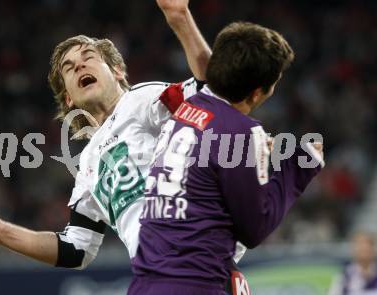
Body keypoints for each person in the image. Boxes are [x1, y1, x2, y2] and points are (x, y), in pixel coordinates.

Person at [0, 0, 248, 273]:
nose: (80, 66)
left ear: (118, 71)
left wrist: (180, 19)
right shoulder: (87, 165)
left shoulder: (143, 99)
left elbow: (212, 91)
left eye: (88, 58)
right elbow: (75, 249)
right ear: (68, 98)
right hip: (162, 276)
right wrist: (0, 231)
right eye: (69, 68)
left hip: (199, 258)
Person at [128, 22, 325, 295]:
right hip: (195, 283)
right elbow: (255, 228)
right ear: (257, 92)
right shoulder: (242, 131)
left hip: (145, 284)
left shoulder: (187, 109)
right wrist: (299, 166)